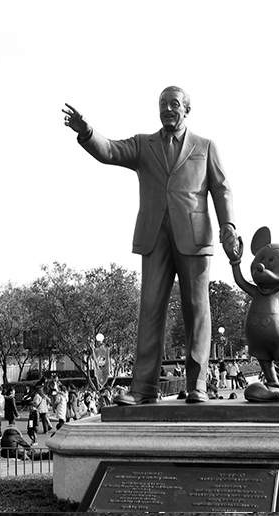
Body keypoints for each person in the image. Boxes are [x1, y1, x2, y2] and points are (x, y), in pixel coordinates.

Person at [62, 86, 239, 405]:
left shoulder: (206, 146)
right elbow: (111, 150)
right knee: (150, 309)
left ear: (187, 109)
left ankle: (197, 385)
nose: (167, 109)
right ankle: (143, 388)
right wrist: (87, 132)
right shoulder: (144, 144)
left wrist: (229, 225)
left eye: (174, 104)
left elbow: (222, 189)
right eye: (162, 104)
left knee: (197, 310)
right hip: (154, 236)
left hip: (194, 236)